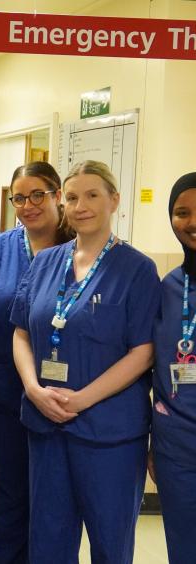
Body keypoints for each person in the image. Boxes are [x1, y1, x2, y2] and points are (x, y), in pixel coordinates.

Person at [10, 160, 160, 564]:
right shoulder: (45, 263)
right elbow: (21, 332)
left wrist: (81, 400)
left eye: (93, 195)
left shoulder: (137, 269)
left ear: (114, 200)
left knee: (110, 540)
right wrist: (32, 388)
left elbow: (143, 351)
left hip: (109, 433)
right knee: (49, 539)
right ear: (63, 203)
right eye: (72, 197)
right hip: (46, 424)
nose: (82, 205)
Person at [0, 161, 70, 563]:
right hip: (4, 397)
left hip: (65, 400)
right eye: (19, 198)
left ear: (58, 194)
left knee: (54, 503)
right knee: (7, 499)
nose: (28, 206)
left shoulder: (80, 248)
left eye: (37, 195)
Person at [150, 172, 196, 564]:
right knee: (183, 545)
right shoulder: (167, 287)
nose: (192, 222)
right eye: (182, 212)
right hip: (175, 446)